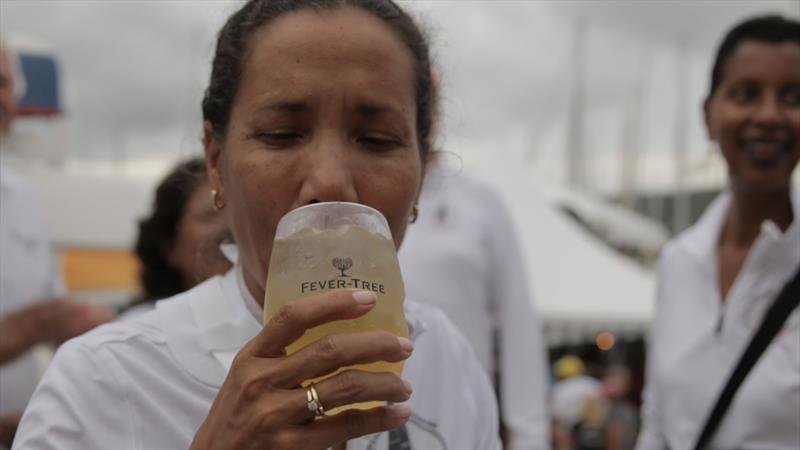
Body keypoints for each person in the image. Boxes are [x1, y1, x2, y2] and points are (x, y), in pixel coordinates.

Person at [12, 1, 501, 449]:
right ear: (215, 160)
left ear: (421, 170)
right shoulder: (106, 381)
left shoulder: (447, 360)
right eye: (281, 135)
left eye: (376, 140)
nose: (329, 182)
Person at [636, 15, 800, 450]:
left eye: (793, 97)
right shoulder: (679, 261)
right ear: (709, 115)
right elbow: (656, 422)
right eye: (746, 94)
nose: (768, 116)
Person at [0, 42, 114, 447]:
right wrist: (30, 327)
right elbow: (40, 321)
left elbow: (56, 317)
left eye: (2, 83)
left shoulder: (24, 198)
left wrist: (94, 332)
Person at [399, 157, 550, 449]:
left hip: (458, 422)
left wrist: (530, 438)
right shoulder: (349, 195)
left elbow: (518, 325)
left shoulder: (481, 201)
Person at [120, 157, 232, 318]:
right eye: (209, 216)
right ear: (169, 245)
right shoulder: (139, 332)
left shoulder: (266, 319)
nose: (229, 229)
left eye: (238, 215)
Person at [550, 355, 604, 450]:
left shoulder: (559, 389)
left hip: (570, 437)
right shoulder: (594, 384)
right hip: (597, 435)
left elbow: (555, 418)